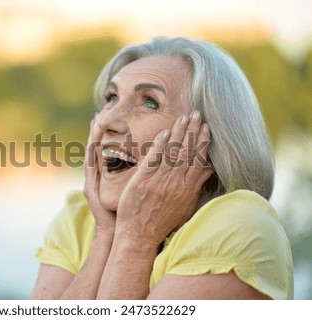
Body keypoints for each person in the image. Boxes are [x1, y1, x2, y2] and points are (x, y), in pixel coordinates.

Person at [30, 37, 293, 299]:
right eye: (111, 98)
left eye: (149, 102)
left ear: (206, 143)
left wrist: (136, 238)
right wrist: (106, 236)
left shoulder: (239, 225)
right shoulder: (80, 217)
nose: (106, 121)